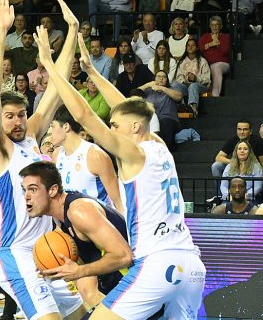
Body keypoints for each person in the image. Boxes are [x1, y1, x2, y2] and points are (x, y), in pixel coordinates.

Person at [34, 26, 206, 320]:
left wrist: (51, 68)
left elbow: (85, 116)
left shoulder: (132, 152)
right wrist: (92, 71)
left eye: (115, 126)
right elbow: (125, 108)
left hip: (157, 262)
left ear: (135, 127)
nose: (111, 129)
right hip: (191, 265)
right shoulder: (158, 143)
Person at [0, 0, 87, 320]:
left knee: (84, 314)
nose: (17, 121)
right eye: (9, 116)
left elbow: (57, 87)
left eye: (20, 115)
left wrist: (72, 30)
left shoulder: (29, 137)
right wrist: (0, 32)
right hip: (16, 254)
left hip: (49, 249)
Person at [20, 161, 131, 307]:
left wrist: (79, 271)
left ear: (52, 190)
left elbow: (124, 256)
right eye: (24, 190)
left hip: (137, 286)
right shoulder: (60, 217)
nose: (26, 196)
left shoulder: (79, 211)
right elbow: (88, 258)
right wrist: (55, 268)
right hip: (120, 288)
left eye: (33, 190)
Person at [51, 105, 120, 210]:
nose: (50, 132)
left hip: (99, 221)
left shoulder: (94, 155)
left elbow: (118, 200)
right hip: (71, 222)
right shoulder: (56, 155)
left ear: (66, 126)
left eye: (53, 126)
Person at [139, 70, 183, 149]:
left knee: (165, 123)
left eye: (164, 77)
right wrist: (147, 85)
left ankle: (163, 150)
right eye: (159, 76)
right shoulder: (148, 91)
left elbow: (179, 97)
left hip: (168, 119)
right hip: (151, 120)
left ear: (167, 80)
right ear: (154, 78)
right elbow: (133, 94)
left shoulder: (171, 89)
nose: (161, 78)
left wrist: (162, 88)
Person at [171, 38, 211, 117]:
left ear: (197, 48)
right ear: (186, 48)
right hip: (186, 86)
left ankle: (193, 109)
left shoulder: (202, 61)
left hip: (200, 86)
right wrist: (184, 81)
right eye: (188, 45)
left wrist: (196, 78)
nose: (190, 47)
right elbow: (178, 77)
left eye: (193, 45)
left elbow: (207, 79)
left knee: (193, 85)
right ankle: (181, 106)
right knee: (174, 84)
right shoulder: (182, 61)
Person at [199, 15, 230, 97]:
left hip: (222, 64)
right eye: (212, 25)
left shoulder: (225, 37)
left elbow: (225, 51)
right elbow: (199, 48)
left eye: (217, 25)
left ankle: (215, 95)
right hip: (207, 64)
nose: (214, 27)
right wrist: (210, 44)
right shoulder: (205, 36)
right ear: (210, 26)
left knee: (215, 67)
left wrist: (217, 41)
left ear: (221, 26)